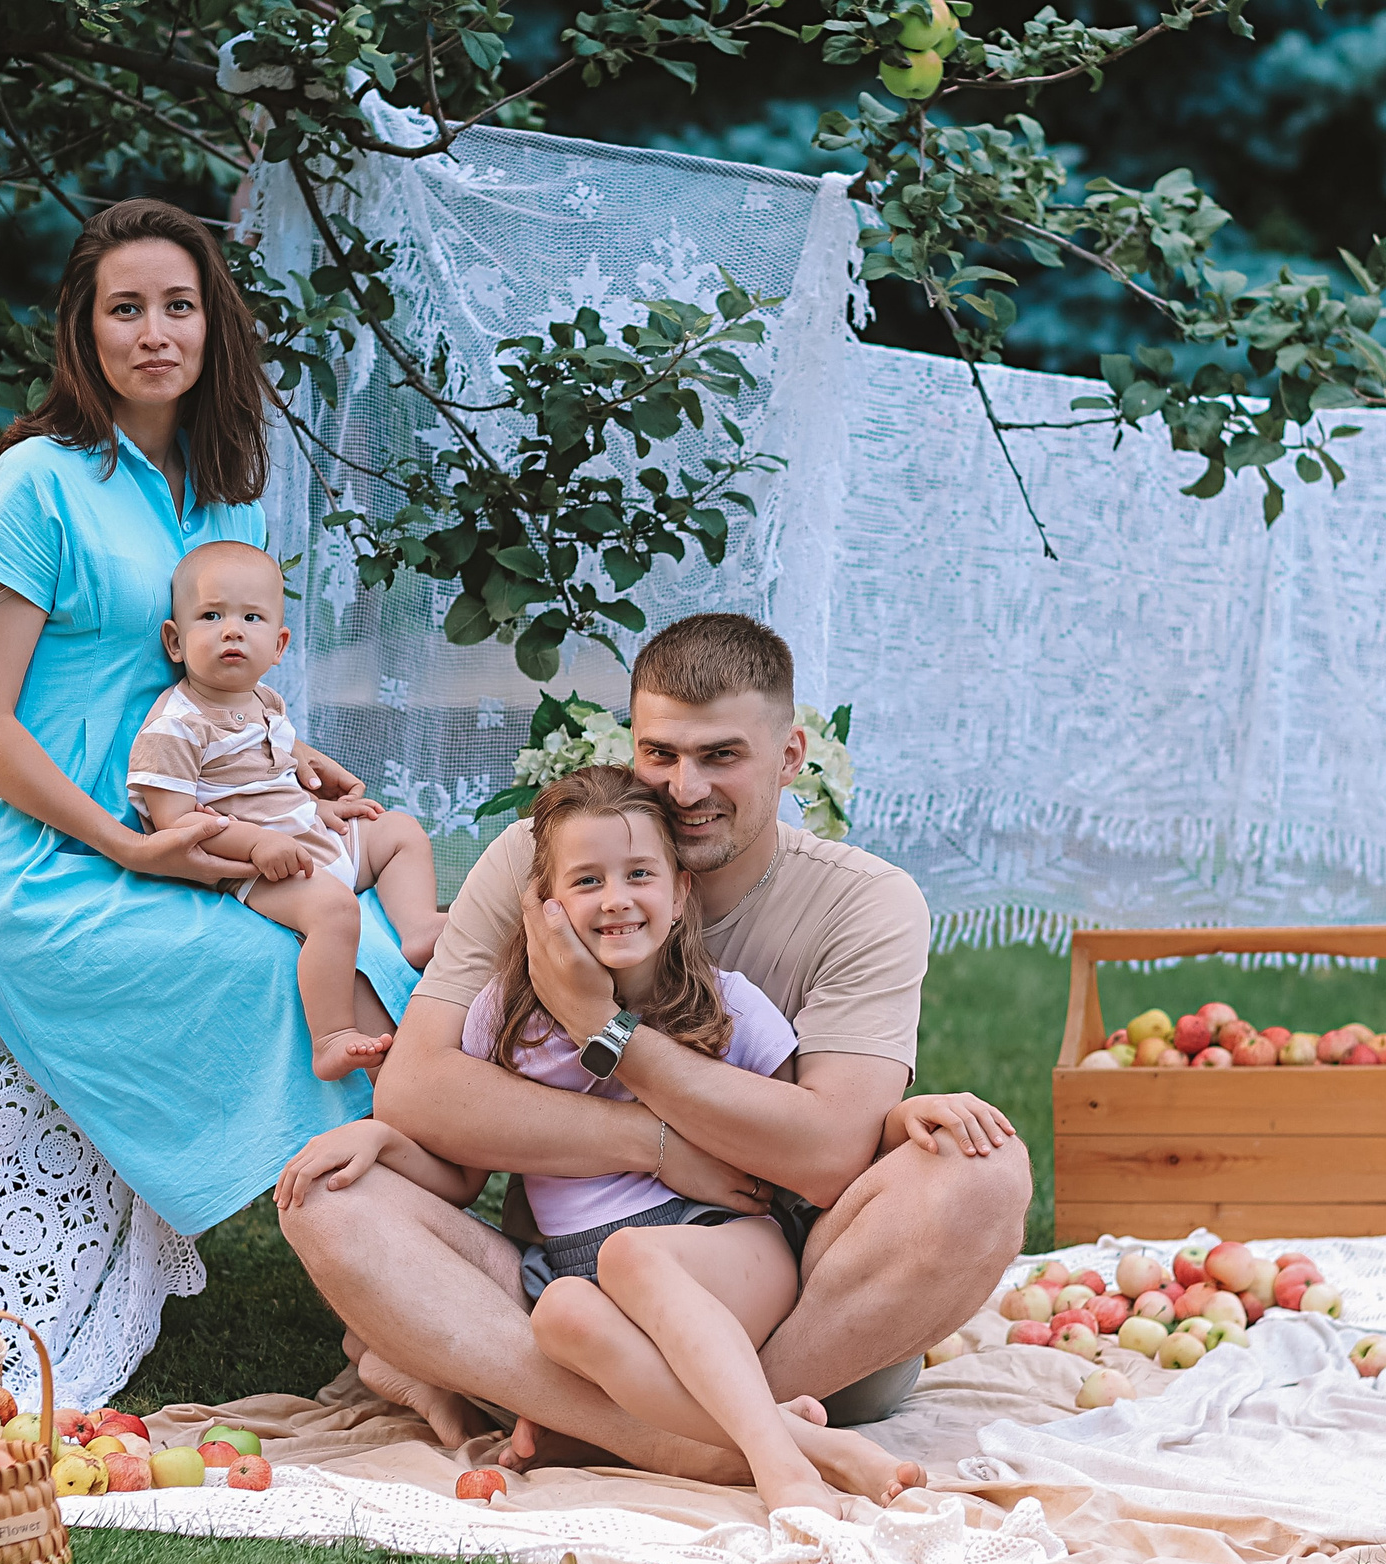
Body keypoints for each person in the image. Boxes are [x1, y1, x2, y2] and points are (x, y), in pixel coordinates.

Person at [278, 614, 1030, 1482]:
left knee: (983, 1174)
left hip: (793, 1313)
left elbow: (826, 1158)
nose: (685, 788)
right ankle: (724, 1445)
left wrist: (610, 1034)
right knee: (328, 1196)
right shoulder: (539, 864)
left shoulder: (866, 904)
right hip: (561, 1296)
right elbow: (419, 1093)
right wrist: (655, 1146)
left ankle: (599, 1420)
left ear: (791, 758)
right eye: (661, 755)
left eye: (722, 756)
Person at [0, 198, 419, 1240]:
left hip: (205, 824)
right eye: (125, 309)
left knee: (385, 951)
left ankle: (406, 1281)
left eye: (179, 306)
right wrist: (124, 843)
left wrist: (295, 761)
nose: (154, 333)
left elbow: (215, 690)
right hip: (49, 864)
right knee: (305, 975)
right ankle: (377, 1279)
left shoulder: (225, 494)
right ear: (83, 328)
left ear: (212, 325)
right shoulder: (33, 488)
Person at [127, 541, 445, 1079]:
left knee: (399, 830)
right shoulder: (175, 727)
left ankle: (416, 927)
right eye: (212, 616)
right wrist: (255, 842)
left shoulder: (266, 700)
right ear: (175, 642)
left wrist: (320, 808)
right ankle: (333, 1036)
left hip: (307, 838)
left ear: (278, 644)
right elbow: (174, 824)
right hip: (256, 867)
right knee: (333, 912)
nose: (232, 630)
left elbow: (275, 778)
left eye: (251, 617)